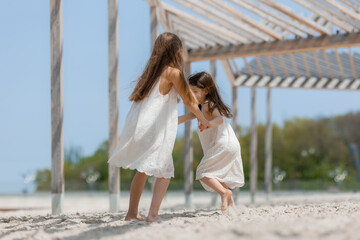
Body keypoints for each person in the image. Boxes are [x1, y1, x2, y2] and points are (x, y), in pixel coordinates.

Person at [108, 33, 209, 222]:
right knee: (164, 171)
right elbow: (190, 101)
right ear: (176, 51)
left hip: (140, 126)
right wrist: (203, 119)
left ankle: (131, 213)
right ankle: (152, 214)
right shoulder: (173, 72)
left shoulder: (152, 73)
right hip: (155, 129)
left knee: (144, 170)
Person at [178, 72, 244, 212]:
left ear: (206, 91)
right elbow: (187, 116)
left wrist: (208, 123)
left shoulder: (208, 104)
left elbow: (219, 119)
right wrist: (174, 121)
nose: (192, 95)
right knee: (215, 175)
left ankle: (224, 193)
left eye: (195, 91)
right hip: (230, 145)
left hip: (222, 144)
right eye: (190, 92)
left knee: (203, 172)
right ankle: (232, 206)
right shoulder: (201, 107)